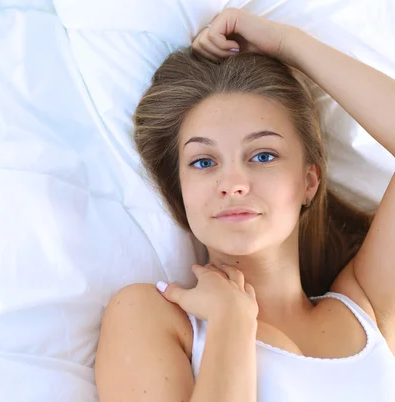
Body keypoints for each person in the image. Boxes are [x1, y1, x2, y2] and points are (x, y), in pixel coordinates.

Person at [94, 8, 395, 402]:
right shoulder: (152, 316)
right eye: (204, 162)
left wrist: (288, 45)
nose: (234, 184)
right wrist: (230, 325)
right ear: (181, 190)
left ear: (309, 181)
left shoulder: (367, 308)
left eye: (263, 155)